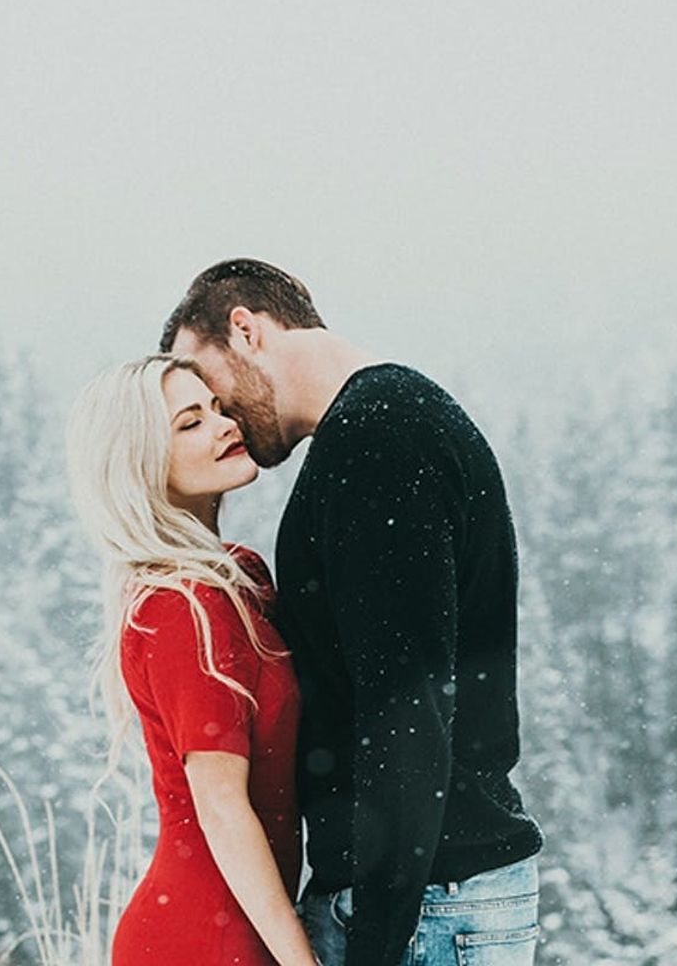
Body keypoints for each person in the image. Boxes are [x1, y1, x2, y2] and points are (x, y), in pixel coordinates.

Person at [159, 260, 545, 966]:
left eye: (206, 386)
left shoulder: (376, 445)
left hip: (426, 907)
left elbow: (406, 715)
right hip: (432, 897)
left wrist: (374, 938)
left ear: (245, 330)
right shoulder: (386, 424)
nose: (220, 418)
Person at [66, 354, 321, 966]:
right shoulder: (182, 606)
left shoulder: (240, 578)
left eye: (214, 407)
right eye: (189, 423)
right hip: (203, 942)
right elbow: (222, 807)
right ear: (141, 463)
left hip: (242, 929)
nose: (224, 424)